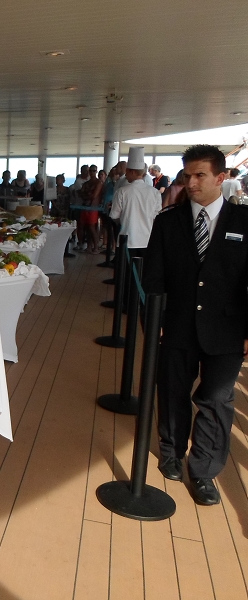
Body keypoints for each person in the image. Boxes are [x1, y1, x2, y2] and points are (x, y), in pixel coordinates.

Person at [143, 144, 248, 506]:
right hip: (177, 323)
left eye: (200, 175)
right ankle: (171, 450)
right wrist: (154, 321)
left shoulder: (243, 222)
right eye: (187, 175)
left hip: (228, 328)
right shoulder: (167, 222)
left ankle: (203, 471)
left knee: (216, 399)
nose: (191, 183)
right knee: (173, 390)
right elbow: (153, 277)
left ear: (221, 177)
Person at [109, 147, 162, 259]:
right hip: (147, 240)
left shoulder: (122, 191)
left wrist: (126, 220)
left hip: (127, 241)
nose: (125, 175)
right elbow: (156, 217)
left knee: (125, 269)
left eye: (127, 171)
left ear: (132, 172)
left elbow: (114, 215)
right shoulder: (155, 193)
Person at [79, 165, 103, 253]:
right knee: (86, 227)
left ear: (96, 171)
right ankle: (89, 246)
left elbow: (94, 195)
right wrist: (87, 195)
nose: (92, 172)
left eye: (94, 171)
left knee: (92, 227)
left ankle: (96, 247)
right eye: (90, 171)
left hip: (93, 208)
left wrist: (86, 195)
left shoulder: (98, 182)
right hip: (85, 206)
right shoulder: (87, 183)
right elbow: (81, 194)